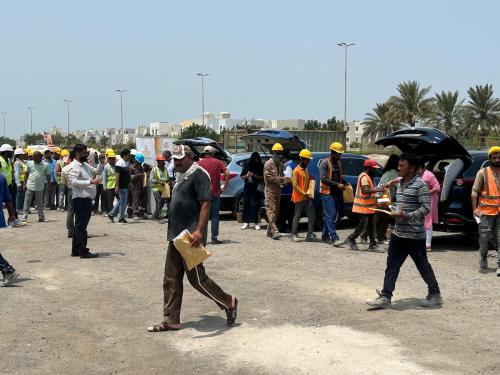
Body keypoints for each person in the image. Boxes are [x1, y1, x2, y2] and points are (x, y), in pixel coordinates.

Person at [147, 145, 238, 332]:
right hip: (176, 235)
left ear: (190, 158)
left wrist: (199, 230)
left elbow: (206, 203)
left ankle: (228, 301)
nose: (176, 162)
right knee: (171, 278)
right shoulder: (181, 174)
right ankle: (171, 319)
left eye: (180, 159)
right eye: (174, 159)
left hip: (190, 235)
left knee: (197, 278)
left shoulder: (199, 174)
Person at [366, 153, 442, 309]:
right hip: (399, 233)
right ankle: (386, 296)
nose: (398, 168)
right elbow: (399, 202)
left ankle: (435, 294)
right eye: (398, 165)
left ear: (412, 168)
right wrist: (391, 208)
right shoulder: (400, 183)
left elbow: (426, 207)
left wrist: (406, 215)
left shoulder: (420, 185)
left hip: (415, 236)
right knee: (392, 264)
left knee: (422, 265)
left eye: (402, 166)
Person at [67, 144, 102, 258]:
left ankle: (76, 250)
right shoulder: (74, 166)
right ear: (77, 153)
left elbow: (96, 171)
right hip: (80, 199)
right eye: (84, 152)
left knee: (79, 225)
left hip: (86, 199)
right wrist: (91, 182)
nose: (86, 154)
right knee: (81, 227)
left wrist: (101, 162)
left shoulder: (85, 164)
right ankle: (83, 251)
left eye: (86, 152)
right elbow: (73, 182)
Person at [471, 146, 500, 275]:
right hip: (486, 211)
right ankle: (483, 256)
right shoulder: (482, 173)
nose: (497, 159)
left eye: (499, 157)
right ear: (490, 158)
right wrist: (475, 208)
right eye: (494, 157)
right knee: (484, 237)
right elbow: (474, 192)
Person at [345, 159, 383, 251]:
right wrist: (378, 190)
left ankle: (373, 244)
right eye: (373, 169)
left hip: (368, 207)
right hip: (362, 207)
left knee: (371, 226)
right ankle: (351, 238)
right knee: (363, 226)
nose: (375, 170)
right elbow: (365, 190)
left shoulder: (368, 177)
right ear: (369, 168)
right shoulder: (364, 177)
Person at [198, 145, 230, 244]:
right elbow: (227, 173)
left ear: (205, 153)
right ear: (213, 153)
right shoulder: (218, 162)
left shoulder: (199, 163)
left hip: (203, 194)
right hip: (215, 193)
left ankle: (203, 239)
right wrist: (224, 187)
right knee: (215, 216)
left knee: (204, 216)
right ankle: (214, 238)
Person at [319, 142, 346, 246]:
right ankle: (334, 238)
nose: (340, 156)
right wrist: (337, 185)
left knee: (328, 216)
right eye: (338, 154)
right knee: (331, 215)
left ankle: (325, 236)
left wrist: (344, 183)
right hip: (327, 193)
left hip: (337, 193)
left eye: (340, 154)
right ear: (333, 153)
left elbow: (339, 177)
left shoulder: (339, 163)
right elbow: (323, 179)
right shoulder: (324, 163)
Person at [264, 143, 290, 240]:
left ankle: (269, 231)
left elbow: (281, 175)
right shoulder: (268, 164)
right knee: (271, 210)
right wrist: (283, 179)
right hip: (270, 190)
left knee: (276, 212)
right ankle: (274, 231)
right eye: (277, 153)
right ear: (273, 152)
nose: (279, 155)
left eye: (280, 153)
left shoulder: (280, 164)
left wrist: (285, 181)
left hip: (278, 190)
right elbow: (270, 178)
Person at [371, 154, 400, 244]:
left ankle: (377, 236)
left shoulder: (387, 171)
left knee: (379, 217)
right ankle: (380, 237)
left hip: (379, 196)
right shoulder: (394, 172)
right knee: (384, 217)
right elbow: (399, 186)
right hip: (385, 197)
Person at [290, 149, 316, 242]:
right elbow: (295, 185)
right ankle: (293, 234)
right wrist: (303, 192)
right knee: (297, 216)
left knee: (312, 215)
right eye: (307, 160)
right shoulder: (296, 171)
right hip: (299, 197)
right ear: (302, 159)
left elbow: (307, 181)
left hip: (307, 197)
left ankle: (309, 234)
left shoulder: (306, 170)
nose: (308, 162)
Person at [0, 173, 20, 286]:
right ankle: (7, 271)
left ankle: (8, 270)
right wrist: (11, 214)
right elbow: (8, 199)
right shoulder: (2, 177)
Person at [417, 159, 441, 252]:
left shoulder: (429, 175)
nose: (418, 171)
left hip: (430, 200)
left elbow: (437, 188)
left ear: (423, 168)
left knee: (428, 221)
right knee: (421, 220)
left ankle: (428, 244)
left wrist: (426, 193)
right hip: (421, 200)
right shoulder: (417, 175)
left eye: (419, 168)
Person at [22, 151, 51, 222]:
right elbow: (26, 174)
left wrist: (49, 185)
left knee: (40, 202)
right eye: (33, 157)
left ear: (40, 157)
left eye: (35, 157)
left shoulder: (46, 165)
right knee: (27, 201)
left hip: (40, 187)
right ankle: (24, 217)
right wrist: (24, 184)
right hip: (30, 186)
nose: (33, 158)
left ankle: (41, 217)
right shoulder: (29, 163)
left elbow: (48, 176)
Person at [108, 149, 131, 224]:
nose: (129, 156)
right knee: (123, 202)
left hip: (125, 185)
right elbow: (117, 176)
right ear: (124, 155)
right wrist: (117, 186)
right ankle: (121, 218)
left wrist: (129, 183)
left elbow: (127, 175)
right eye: (128, 155)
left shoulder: (126, 163)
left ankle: (111, 214)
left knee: (122, 201)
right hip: (121, 186)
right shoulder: (119, 163)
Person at [240, 151, 263, 230]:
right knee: (246, 203)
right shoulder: (247, 165)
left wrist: (254, 175)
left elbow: (262, 177)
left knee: (254, 204)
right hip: (247, 186)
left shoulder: (260, 166)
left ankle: (255, 222)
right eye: (256, 159)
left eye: (258, 159)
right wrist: (247, 175)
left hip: (255, 187)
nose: (257, 160)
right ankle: (246, 222)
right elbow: (241, 176)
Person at [277, 151, 296, 233]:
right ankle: (291, 228)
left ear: (284, 158)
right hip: (291, 192)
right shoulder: (294, 164)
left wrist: (279, 182)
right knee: (291, 212)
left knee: (284, 212)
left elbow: (287, 179)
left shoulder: (288, 166)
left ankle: (283, 228)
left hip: (286, 193)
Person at [150, 153, 170, 220]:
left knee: (162, 202)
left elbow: (167, 178)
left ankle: (156, 214)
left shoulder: (165, 169)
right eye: (162, 161)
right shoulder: (154, 169)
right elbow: (151, 180)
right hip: (156, 189)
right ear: (158, 162)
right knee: (158, 201)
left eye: (163, 161)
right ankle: (159, 217)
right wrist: (159, 182)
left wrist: (167, 181)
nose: (163, 162)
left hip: (164, 189)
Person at [62, 150, 76, 238]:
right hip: (78, 191)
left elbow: (64, 182)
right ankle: (78, 230)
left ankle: (70, 231)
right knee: (79, 212)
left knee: (70, 211)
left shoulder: (65, 168)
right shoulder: (78, 167)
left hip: (70, 190)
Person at [130, 152, 146, 221]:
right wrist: (138, 175)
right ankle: (135, 214)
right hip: (134, 186)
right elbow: (130, 177)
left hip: (141, 185)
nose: (140, 163)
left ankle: (141, 212)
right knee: (135, 200)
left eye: (140, 162)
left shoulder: (141, 167)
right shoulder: (131, 167)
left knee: (144, 198)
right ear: (135, 160)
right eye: (139, 162)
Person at [0, 144, 16, 214]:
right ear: (6, 152)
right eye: (10, 152)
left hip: (8, 184)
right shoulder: (0, 160)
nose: (12, 153)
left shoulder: (8, 160)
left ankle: (14, 219)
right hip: (1, 185)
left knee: (12, 201)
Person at [102, 149, 118, 216]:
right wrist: (104, 187)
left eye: (114, 159)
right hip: (109, 186)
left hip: (116, 186)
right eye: (112, 159)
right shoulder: (106, 167)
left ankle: (114, 211)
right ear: (109, 159)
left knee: (120, 199)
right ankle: (111, 212)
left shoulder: (116, 167)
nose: (113, 160)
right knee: (110, 201)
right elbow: (104, 177)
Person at [13, 148, 27, 214]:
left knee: (23, 195)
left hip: (24, 181)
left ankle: (23, 208)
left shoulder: (23, 162)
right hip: (20, 181)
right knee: (19, 195)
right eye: (22, 154)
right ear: (19, 155)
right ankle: (18, 209)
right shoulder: (17, 163)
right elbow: (16, 174)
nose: (24, 155)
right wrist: (18, 183)